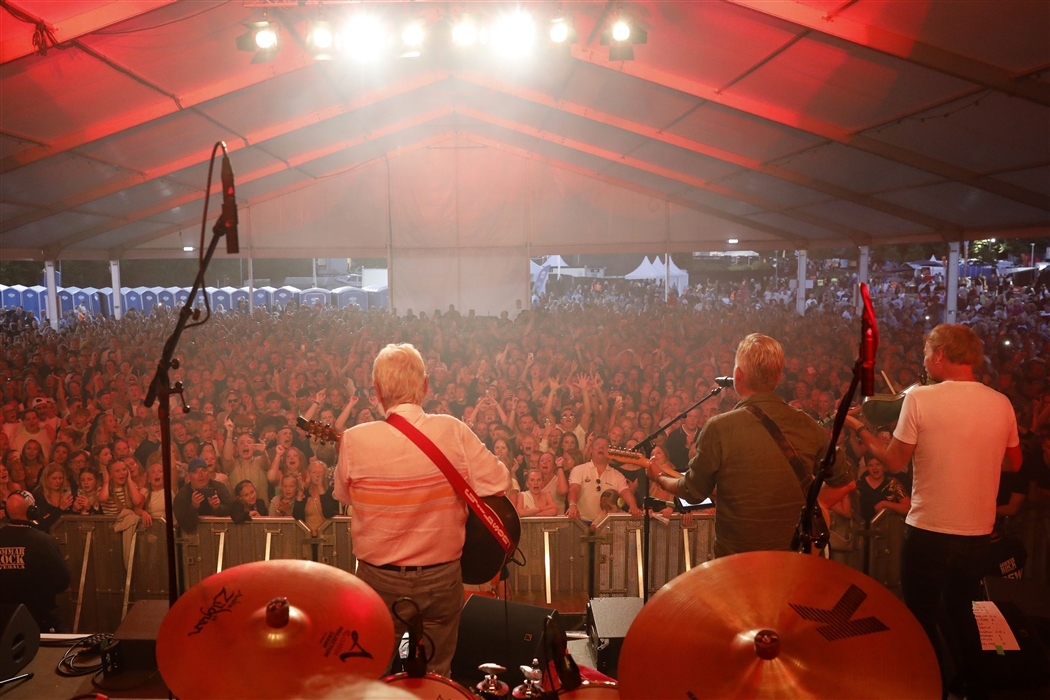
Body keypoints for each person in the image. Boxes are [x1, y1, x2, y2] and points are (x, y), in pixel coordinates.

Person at [845, 324, 1022, 697]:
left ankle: (929, 685)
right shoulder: (1000, 402)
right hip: (977, 533)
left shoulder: (921, 398)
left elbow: (894, 461)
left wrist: (859, 427)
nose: (925, 362)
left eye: (926, 354)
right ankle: (972, 684)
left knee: (920, 616)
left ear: (940, 355)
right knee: (964, 611)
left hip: (930, 530)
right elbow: (1015, 462)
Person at [334, 343, 509, 677]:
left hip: (377, 579)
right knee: (436, 670)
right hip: (440, 577)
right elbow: (498, 481)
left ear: (377, 392)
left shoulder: (354, 440)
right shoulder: (452, 431)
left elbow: (346, 496)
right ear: (426, 386)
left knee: (375, 669)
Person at [648, 333, 850, 558]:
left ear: (737, 375)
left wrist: (659, 477)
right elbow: (846, 478)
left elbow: (692, 492)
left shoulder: (719, 427)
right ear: (778, 376)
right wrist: (816, 504)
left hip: (738, 563)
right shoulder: (806, 424)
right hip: (792, 561)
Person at [0, 491, 71, 631]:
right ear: (32, 511)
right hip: (40, 618)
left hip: (4, 621)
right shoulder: (42, 541)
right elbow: (63, 579)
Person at [566, 436, 642, 522]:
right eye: (597, 445)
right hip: (581, 521)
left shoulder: (617, 475)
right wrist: (572, 505)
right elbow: (574, 488)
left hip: (606, 523)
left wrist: (633, 506)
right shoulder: (579, 470)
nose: (601, 447)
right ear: (591, 449)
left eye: (605, 445)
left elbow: (625, 491)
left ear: (610, 451)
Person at [173, 458, 233, 533]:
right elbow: (185, 525)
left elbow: (231, 510)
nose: (201, 475)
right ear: (189, 476)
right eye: (195, 472)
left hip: (219, 533)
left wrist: (217, 507)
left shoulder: (219, 487)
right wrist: (194, 507)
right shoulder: (182, 495)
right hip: (193, 538)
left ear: (208, 472)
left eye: (204, 470)